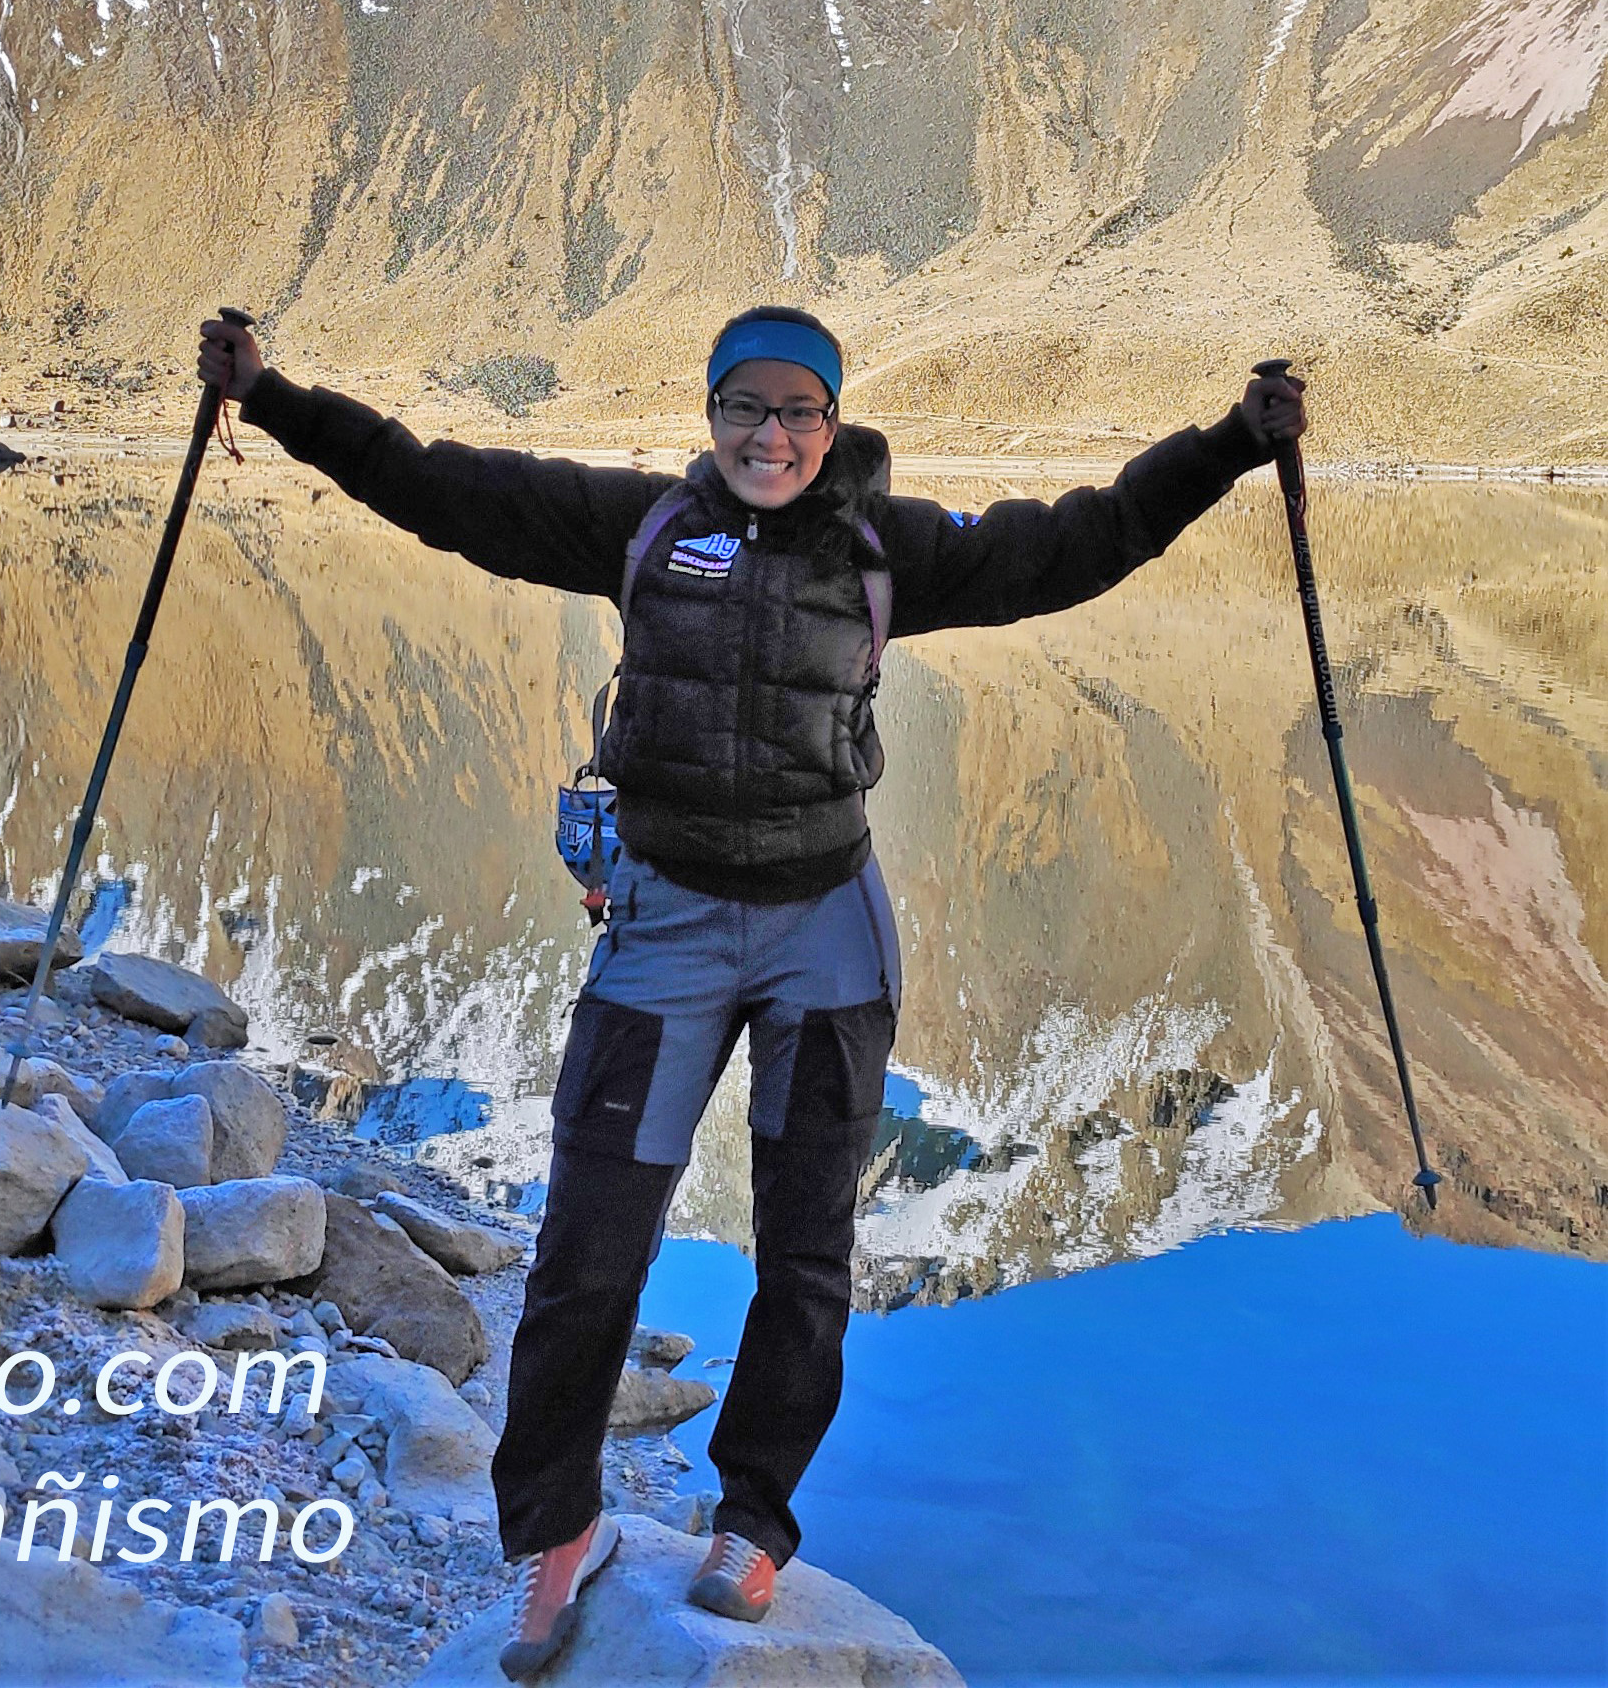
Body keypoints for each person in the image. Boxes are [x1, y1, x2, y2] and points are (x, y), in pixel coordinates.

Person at [196, 306, 1305, 1681]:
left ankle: (755, 1518)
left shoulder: (891, 552)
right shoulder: (647, 526)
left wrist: (1230, 448)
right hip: (661, 925)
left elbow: (1080, 540)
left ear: (831, 422)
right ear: (711, 412)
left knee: (805, 1245)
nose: (771, 436)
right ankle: (558, 1526)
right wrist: (275, 398)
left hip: (824, 934)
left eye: (798, 411)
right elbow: (442, 488)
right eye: (745, 408)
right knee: (590, 1238)